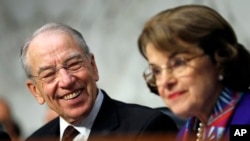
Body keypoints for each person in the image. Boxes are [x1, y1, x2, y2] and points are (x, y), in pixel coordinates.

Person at [20, 23, 178, 141]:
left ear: (93, 66)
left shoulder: (147, 128)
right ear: (35, 91)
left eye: (74, 64)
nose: (66, 81)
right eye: (49, 74)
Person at [137, 4, 250, 141]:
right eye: (157, 70)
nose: (165, 81)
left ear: (220, 58)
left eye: (179, 63)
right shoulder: (188, 131)